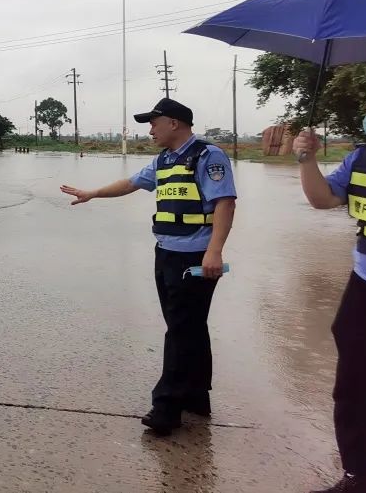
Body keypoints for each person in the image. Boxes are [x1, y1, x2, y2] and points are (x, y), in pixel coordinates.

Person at [60, 97, 237, 435]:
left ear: (174, 123)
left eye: (154, 123)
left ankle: (166, 406)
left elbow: (225, 203)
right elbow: (130, 183)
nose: (150, 129)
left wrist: (214, 251)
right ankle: (196, 397)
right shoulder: (165, 159)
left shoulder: (207, 155)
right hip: (167, 252)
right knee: (188, 326)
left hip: (194, 256)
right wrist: (92, 193)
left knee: (181, 329)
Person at [294, 106, 366, 493]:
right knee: (354, 384)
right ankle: (359, 475)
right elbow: (324, 199)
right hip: (365, 284)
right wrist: (307, 159)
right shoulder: (361, 157)